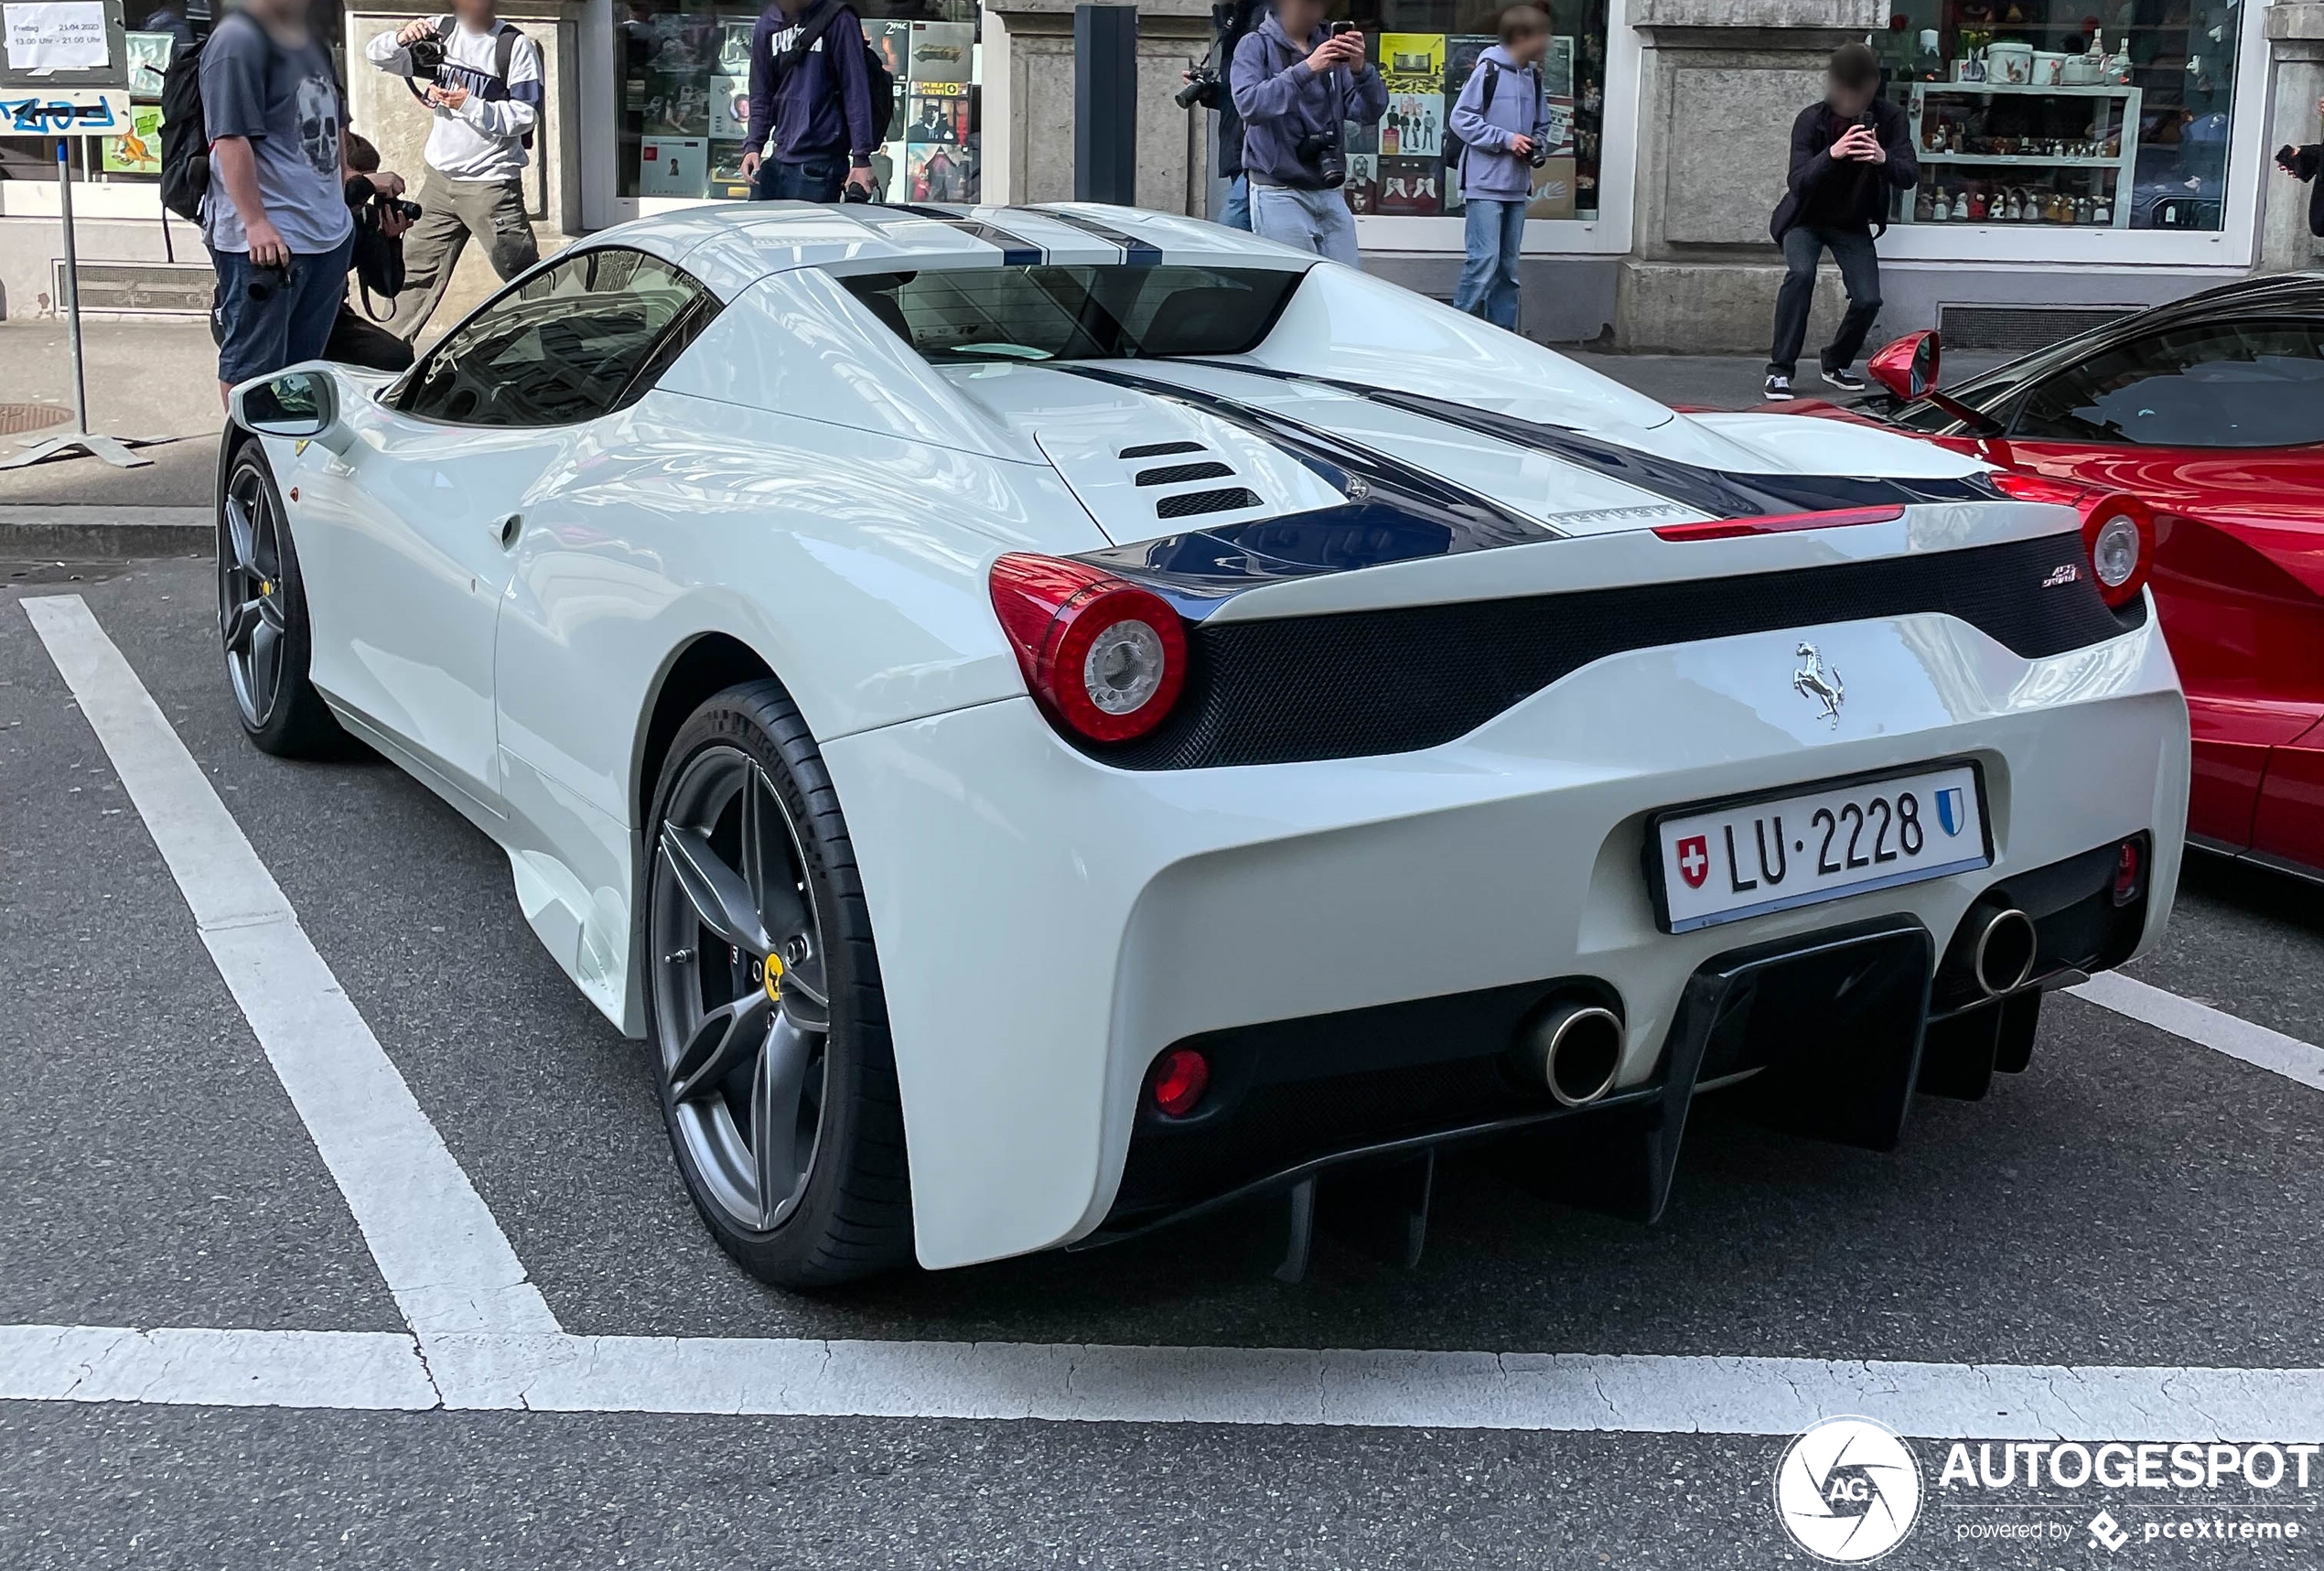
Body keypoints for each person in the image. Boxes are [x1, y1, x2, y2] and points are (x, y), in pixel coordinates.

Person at [201, 0, 408, 404]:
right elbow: (230, 139)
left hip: (325, 235)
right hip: (270, 242)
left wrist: (351, 184)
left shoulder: (311, 39)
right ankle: (252, 458)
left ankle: (294, 451)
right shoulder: (237, 41)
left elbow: (335, 127)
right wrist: (255, 222)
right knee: (253, 369)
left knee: (303, 369)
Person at [366, 2, 544, 340]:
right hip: (439, 182)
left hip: (490, 187)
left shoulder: (512, 45)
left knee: (523, 277)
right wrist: (402, 37)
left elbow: (525, 115)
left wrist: (467, 104)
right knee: (413, 271)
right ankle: (382, 360)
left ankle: (564, 349)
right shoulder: (442, 30)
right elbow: (378, 57)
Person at [1764, 42, 1916, 402]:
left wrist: (1882, 158)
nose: (1850, 98)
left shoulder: (1890, 119)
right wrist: (1832, 154)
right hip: (1805, 219)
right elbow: (1797, 181)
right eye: (1843, 89)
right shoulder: (1811, 119)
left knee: (1868, 299)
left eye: (1858, 91)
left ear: (1873, 86)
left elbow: (1909, 175)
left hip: (1851, 222)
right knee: (1801, 275)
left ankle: (1836, 361)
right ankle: (1780, 371)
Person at [1230, 0, 1384, 266]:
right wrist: (1308, 69)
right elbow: (1250, 105)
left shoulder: (1329, 47)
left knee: (1348, 283)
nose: (1311, 11)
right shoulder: (1255, 45)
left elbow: (1368, 113)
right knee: (1295, 282)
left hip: (1328, 187)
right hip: (1278, 189)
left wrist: (1361, 71)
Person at [1447, 6, 1552, 330]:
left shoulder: (1532, 77)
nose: (1547, 42)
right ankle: (1459, 333)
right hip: (1484, 184)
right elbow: (1460, 119)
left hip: (1516, 185)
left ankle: (1504, 339)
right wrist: (1506, 140)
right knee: (1483, 263)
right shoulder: (1488, 70)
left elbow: (1544, 125)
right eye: (1542, 35)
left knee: (1508, 269)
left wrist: (1535, 143)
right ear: (1522, 37)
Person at [740, 0, 879, 202]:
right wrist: (754, 144)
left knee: (807, 232)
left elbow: (855, 90)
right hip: (780, 155)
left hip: (822, 160)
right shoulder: (768, 24)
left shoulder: (838, 19)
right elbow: (761, 92)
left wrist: (861, 157)